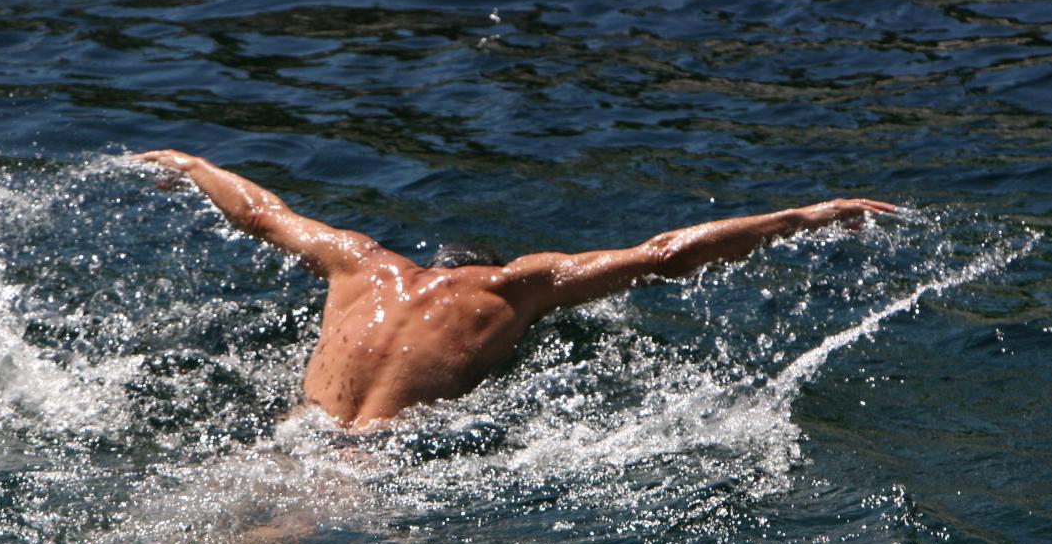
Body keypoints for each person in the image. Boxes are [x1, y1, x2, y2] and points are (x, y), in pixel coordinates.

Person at [135, 150, 894, 428]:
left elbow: (265, 215)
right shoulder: (515, 290)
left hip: (291, 439)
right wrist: (806, 214)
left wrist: (195, 166)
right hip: (370, 473)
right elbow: (661, 255)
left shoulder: (358, 263)